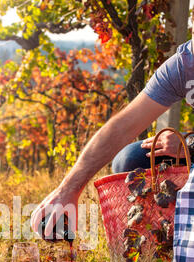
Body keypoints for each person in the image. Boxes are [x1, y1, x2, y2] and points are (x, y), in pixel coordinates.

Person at [31, 35, 194, 238]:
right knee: (132, 159)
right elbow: (122, 127)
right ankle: (161, 248)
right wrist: (68, 189)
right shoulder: (184, 65)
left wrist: (190, 143)